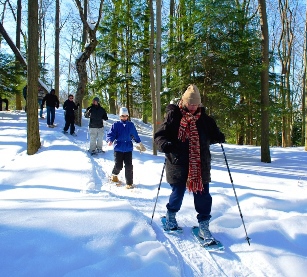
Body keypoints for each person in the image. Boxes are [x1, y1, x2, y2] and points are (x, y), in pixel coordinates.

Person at [154, 84, 225, 245]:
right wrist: (165, 144)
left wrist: (219, 136)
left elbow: (211, 137)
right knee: (177, 194)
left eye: (196, 104)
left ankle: (203, 227)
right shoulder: (174, 117)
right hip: (178, 162)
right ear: (184, 102)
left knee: (203, 196)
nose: (193, 107)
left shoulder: (206, 120)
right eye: (190, 103)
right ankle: (170, 217)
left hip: (200, 165)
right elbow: (160, 135)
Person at [106, 107, 146, 189]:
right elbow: (111, 134)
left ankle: (129, 183)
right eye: (122, 116)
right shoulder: (116, 125)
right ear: (120, 116)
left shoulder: (130, 125)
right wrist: (110, 140)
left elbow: (135, 135)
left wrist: (140, 143)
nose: (124, 117)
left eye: (126, 116)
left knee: (129, 166)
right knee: (118, 166)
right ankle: (114, 174)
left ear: (128, 116)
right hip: (118, 148)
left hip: (128, 148)